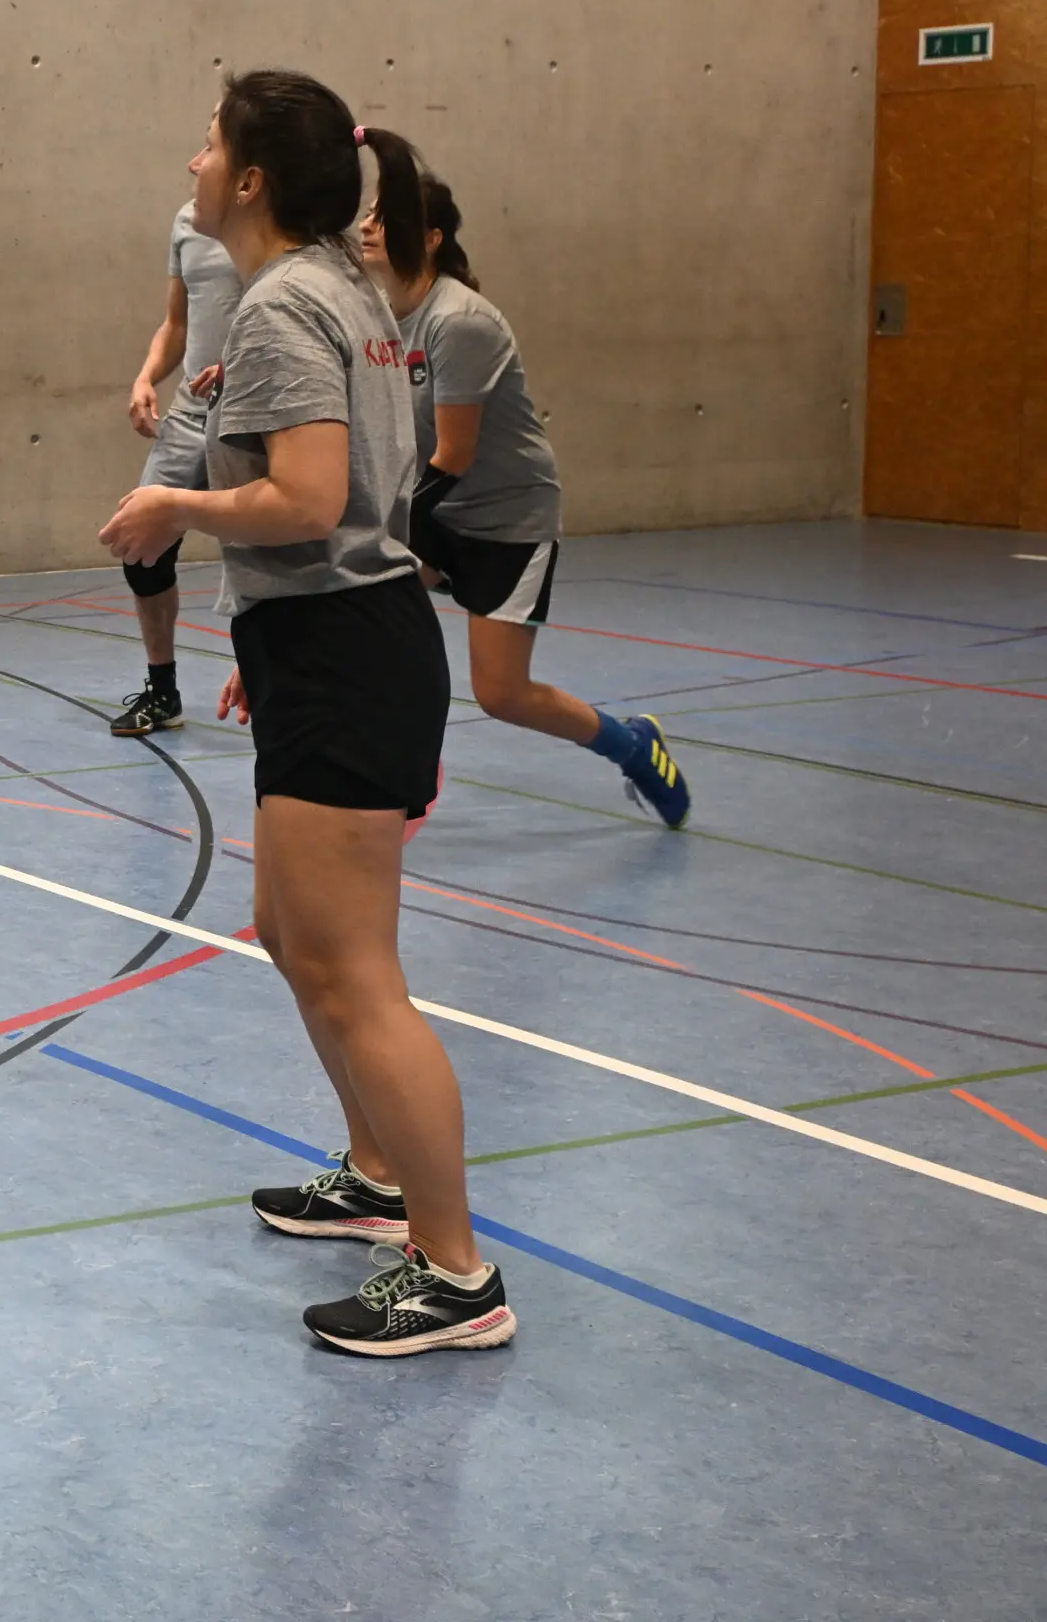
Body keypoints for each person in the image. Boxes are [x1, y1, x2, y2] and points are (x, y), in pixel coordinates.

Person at [99, 80, 513, 1357]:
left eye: (213, 141)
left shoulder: (289, 299)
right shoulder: (341, 285)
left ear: (256, 177)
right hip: (324, 643)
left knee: (355, 973)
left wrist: (176, 512)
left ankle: (455, 1272)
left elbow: (311, 495)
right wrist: (265, 630)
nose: (194, 157)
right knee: (291, 931)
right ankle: (376, 1172)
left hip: (344, 649)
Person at [359, 170, 690, 828]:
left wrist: (386, 531)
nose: (367, 226)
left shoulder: (458, 322)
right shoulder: (371, 311)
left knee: (502, 693)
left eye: (385, 217)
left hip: (505, 521)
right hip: (438, 507)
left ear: (429, 240)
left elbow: (452, 457)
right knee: (369, 615)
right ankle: (391, 771)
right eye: (368, 213)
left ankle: (634, 747)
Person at [113, 201, 246, 734]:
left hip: (253, 412)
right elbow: (177, 322)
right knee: (140, 552)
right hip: (191, 416)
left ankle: (278, 687)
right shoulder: (188, 221)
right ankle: (163, 693)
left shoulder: (279, 220)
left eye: (210, 146)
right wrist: (146, 377)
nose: (196, 161)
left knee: (266, 562)